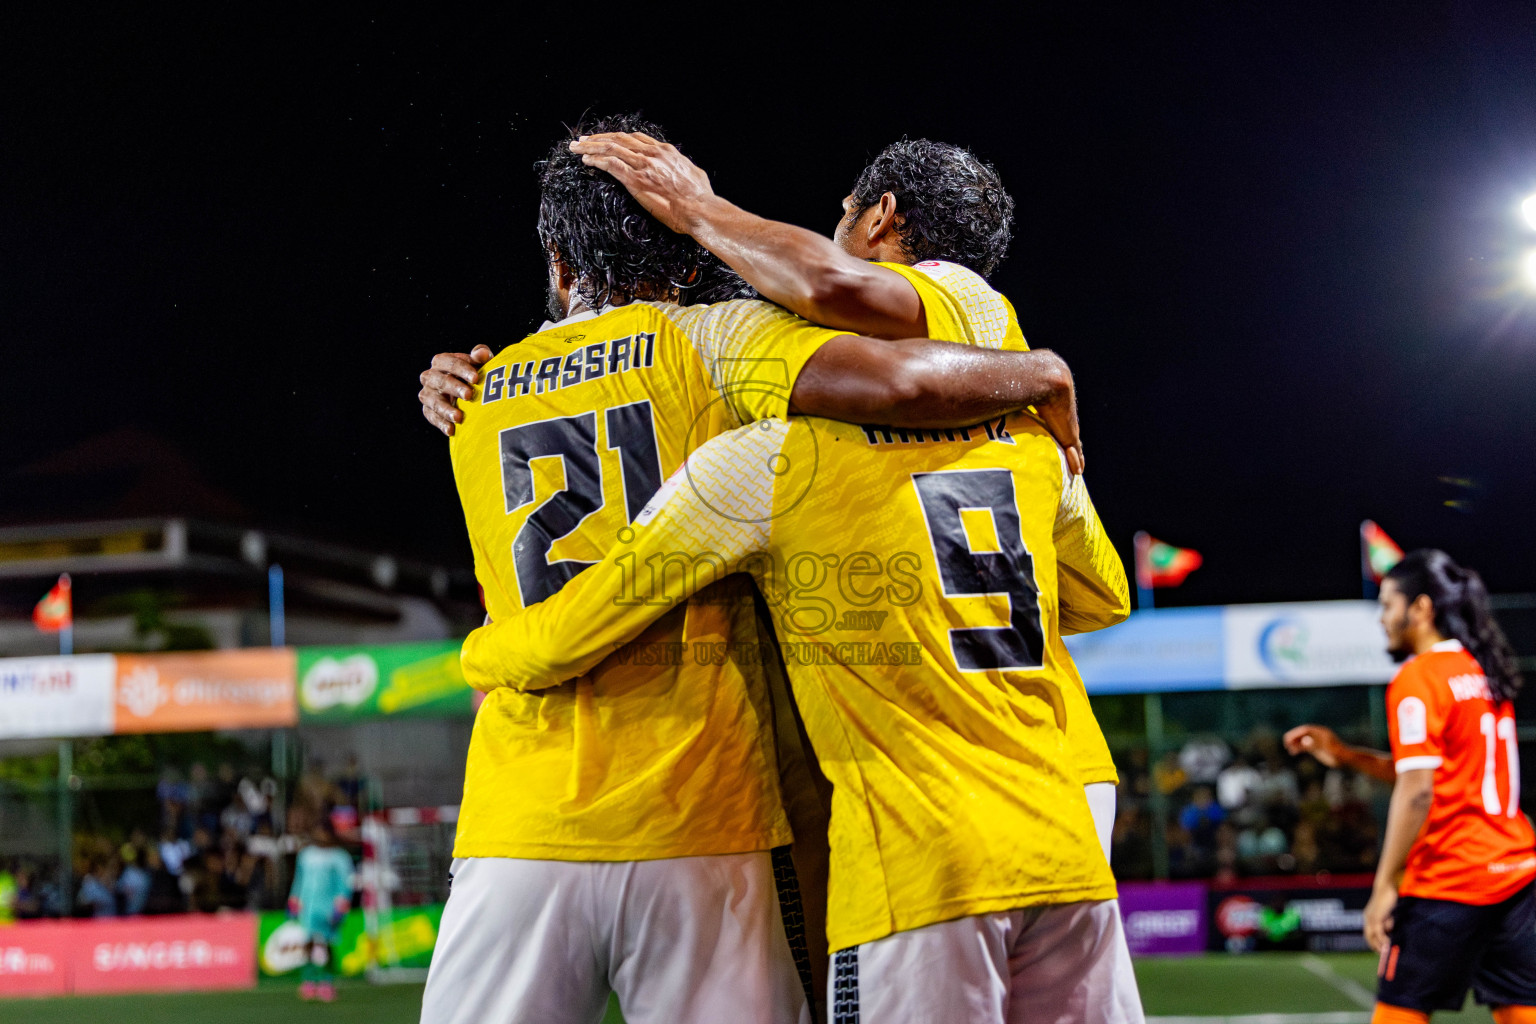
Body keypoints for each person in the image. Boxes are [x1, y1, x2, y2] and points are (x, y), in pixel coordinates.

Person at [417, 114, 1091, 1024]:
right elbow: (897, 385)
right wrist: (1034, 371)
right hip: (710, 812)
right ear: (684, 245)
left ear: (558, 261)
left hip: (519, 812)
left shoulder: (477, 391)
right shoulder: (721, 339)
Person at [456, 395, 1141, 1022]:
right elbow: (1105, 597)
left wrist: (481, 654)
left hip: (919, 860)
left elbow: (589, 617)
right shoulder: (1031, 435)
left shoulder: (774, 455)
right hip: (1064, 841)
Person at [1285, 550, 1536, 1024]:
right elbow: (1433, 772)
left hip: (1451, 879)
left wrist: (1384, 885)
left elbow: (1418, 790)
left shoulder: (1418, 678)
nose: (1381, 619)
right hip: (1516, 873)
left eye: (1386, 605)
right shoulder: (1482, 670)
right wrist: (1345, 755)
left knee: (1399, 1014)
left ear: (1420, 609)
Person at [288, 821, 354, 1003]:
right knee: (308, 943)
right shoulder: (306, 855)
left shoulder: (340, 857)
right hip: (309, 907)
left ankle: (327, 982)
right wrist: (294, 900)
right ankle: (308, 981)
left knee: (328, 945)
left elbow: (345, 885)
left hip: (328, 907)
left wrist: (341, 906)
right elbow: (300, 880)